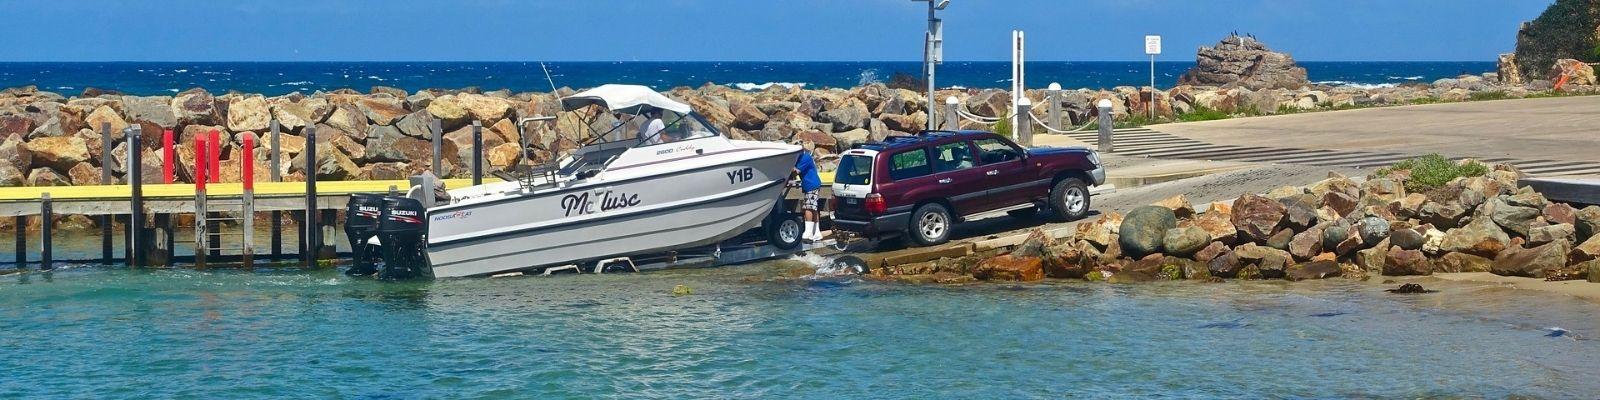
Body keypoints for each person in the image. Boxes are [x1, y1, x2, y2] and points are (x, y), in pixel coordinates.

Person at [793, 148, 824, 242]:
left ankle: (808, 233)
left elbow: (796, 172)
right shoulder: (800, 158)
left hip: (812, 185)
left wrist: (786, 166)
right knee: (813, 208)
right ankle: (817, 232)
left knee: (808, 207)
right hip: (809, 185)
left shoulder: (805, 158)